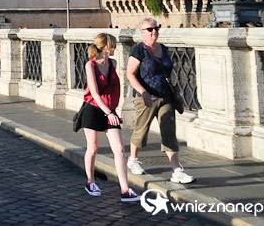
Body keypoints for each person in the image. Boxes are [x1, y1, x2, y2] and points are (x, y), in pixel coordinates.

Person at [126, 18, 195, 184]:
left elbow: (168, 72)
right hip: (146, 97)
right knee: (141, 130)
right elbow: (130, 74)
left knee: (169, 132)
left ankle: (177, 170)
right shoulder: (138, 50)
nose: (154, 31)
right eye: (150, 29)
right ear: (142, 32)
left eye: (156, 28)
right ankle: (133, 159)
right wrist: (143, 92)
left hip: (165, 96)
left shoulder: (163, 49)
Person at [78, 33, 140, 202]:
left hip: (110, 110)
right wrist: (109, 113)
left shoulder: (113, 63)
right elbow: (95, 93)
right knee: (93, 147)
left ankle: (125, 189)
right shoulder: (90, 65)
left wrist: (112, 111)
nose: (115, 47)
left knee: (119, 149)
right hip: (93, 109)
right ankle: (90, 181)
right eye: (113, 45)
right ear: (106, 46)